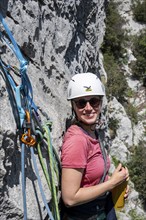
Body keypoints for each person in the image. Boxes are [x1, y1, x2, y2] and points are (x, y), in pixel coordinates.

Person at [61, 72, 129, 220]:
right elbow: (70, 198)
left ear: (100, 103)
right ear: (73, 105)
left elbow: (90, 177)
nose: (88, 108)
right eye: (81, 102)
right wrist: (111, 183)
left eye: (94, 101)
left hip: (101, 208)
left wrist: (115, 182)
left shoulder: (92, 132)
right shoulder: (77, 141)